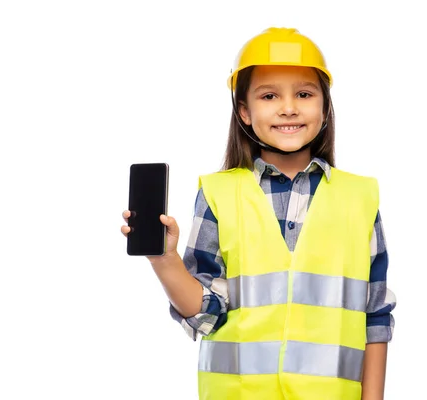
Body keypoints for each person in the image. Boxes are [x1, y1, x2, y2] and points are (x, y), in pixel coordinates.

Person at [121, 27, 396, 400]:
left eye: (304, 93)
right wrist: (164, 258)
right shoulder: (218, 193)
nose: (288, 107)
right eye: (269, 95)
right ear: (245, 112)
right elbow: (206, 313)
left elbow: (375, 316)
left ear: (325, 107)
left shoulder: (359, 197)